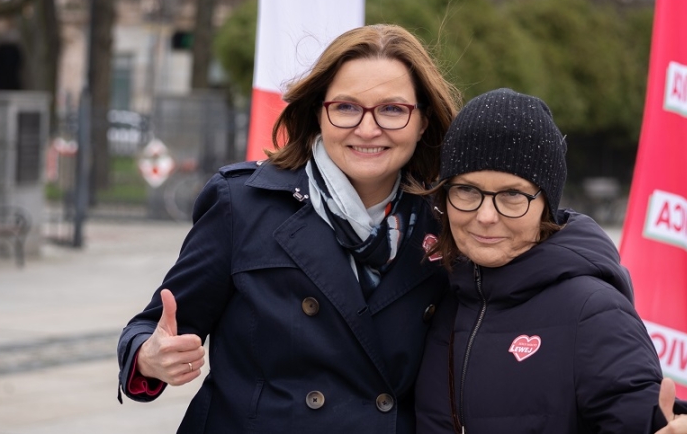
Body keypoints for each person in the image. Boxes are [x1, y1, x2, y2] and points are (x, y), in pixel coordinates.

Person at [117, 24, 461, 433]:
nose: (368, 129)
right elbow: (150, 327)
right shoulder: (243, 203)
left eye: (392, 109)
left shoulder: (448, 220)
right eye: (346, 107)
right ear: (319, 112)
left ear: (422, 121)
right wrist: (148, 357)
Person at [414, 88, 687, 434]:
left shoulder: (593, 311)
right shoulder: (438, 293)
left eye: (512, 194)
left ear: (546, 205)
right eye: (467, 190)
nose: (486, 215)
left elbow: (640, 412)